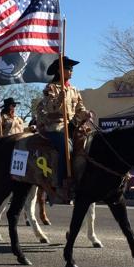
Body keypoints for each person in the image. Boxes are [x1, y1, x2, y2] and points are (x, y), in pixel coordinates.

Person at [35, 56, 92, 195]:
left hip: (72, 126)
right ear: (60, 71)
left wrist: (86, 113)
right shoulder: (51, 87)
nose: (71, 72)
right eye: (68, 69)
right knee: (67, 148)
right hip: (54, 127)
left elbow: (80, 107)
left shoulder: (74, 90)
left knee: (89, 144)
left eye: (72, 70)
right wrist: (60, 98)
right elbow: (49, 108)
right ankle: (61, 183)